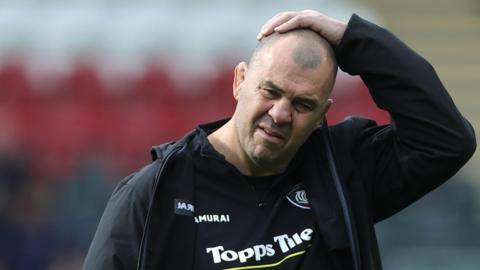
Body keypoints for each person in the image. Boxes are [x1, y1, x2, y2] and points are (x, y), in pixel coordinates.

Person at [83, 10, 476, 270]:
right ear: (240, 81)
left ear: (324, 112)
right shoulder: (155, 193)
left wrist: (353, 39)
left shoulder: (344, 168)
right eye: (270, 91)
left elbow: (446, 138)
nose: (280, 113)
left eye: (303, 104)